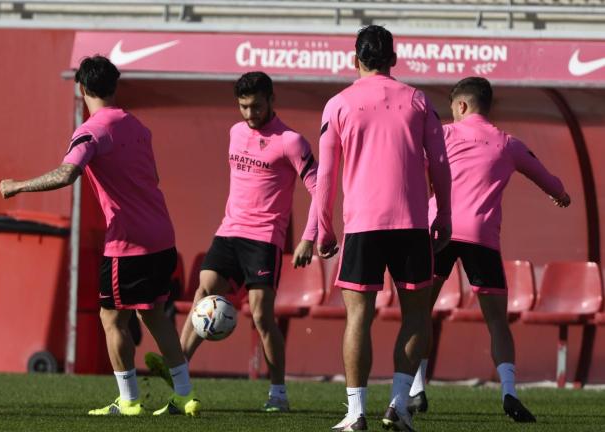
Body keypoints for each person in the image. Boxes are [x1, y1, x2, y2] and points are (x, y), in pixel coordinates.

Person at [0, 55, 199, 417]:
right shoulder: (138, 127)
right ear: (114, 86)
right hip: (162, 235)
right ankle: (186, 396)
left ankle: (129, 401)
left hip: (128, 243)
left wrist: (17, 187)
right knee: (153, 315)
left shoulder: (92, 130)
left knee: (112, 319)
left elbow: (65, 174)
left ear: (82, 88)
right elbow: (152, 177)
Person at [145, 71, 319, 412]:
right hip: (229, 231)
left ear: (271, 100)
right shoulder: (235, 133)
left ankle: (278, 394)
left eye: (256, 106)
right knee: (202, 293)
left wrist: (310, 238)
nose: (249, 114)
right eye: (243, 107)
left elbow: (319, 189)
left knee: (261, 315)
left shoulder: (291, 141)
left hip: (264, 238)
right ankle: (179, 379)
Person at [408, 76, 570, 423]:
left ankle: (416, 388)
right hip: (482, 236)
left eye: (452, 108)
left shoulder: (444, 135)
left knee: (420, 312)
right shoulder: (508, 144)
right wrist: (561, 194)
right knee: (497, 321)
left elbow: (414, 172)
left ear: (462, 106)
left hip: (440, 230)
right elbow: (546, 178)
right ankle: (509, 392)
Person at [317, 25, 452, 432]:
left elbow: (325, 174)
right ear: (394, 60)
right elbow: (441, 164)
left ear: (354, 59)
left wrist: (323, 228)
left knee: (358, 318)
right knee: (416, 316)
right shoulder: (418, 100)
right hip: (411, 224)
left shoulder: (338, 103)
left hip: (362, 226)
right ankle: (398, 405)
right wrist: (443, 215)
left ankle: (356, 412)